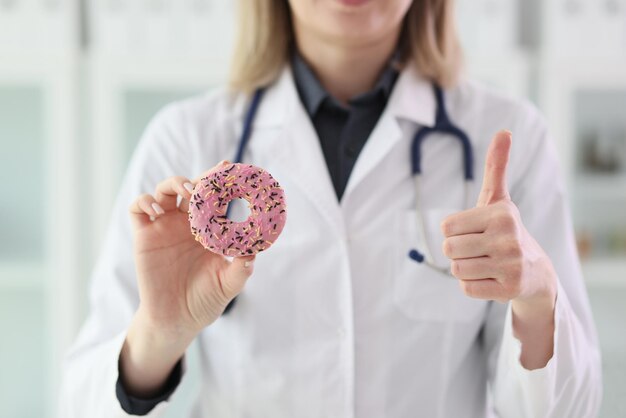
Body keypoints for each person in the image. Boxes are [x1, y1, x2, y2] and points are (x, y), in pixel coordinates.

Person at [59, 0, 602, 417]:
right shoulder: (185, 140)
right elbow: (81, 401)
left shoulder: (510, 137)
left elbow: (572, 407)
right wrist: (160, 331)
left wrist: (535, 297)